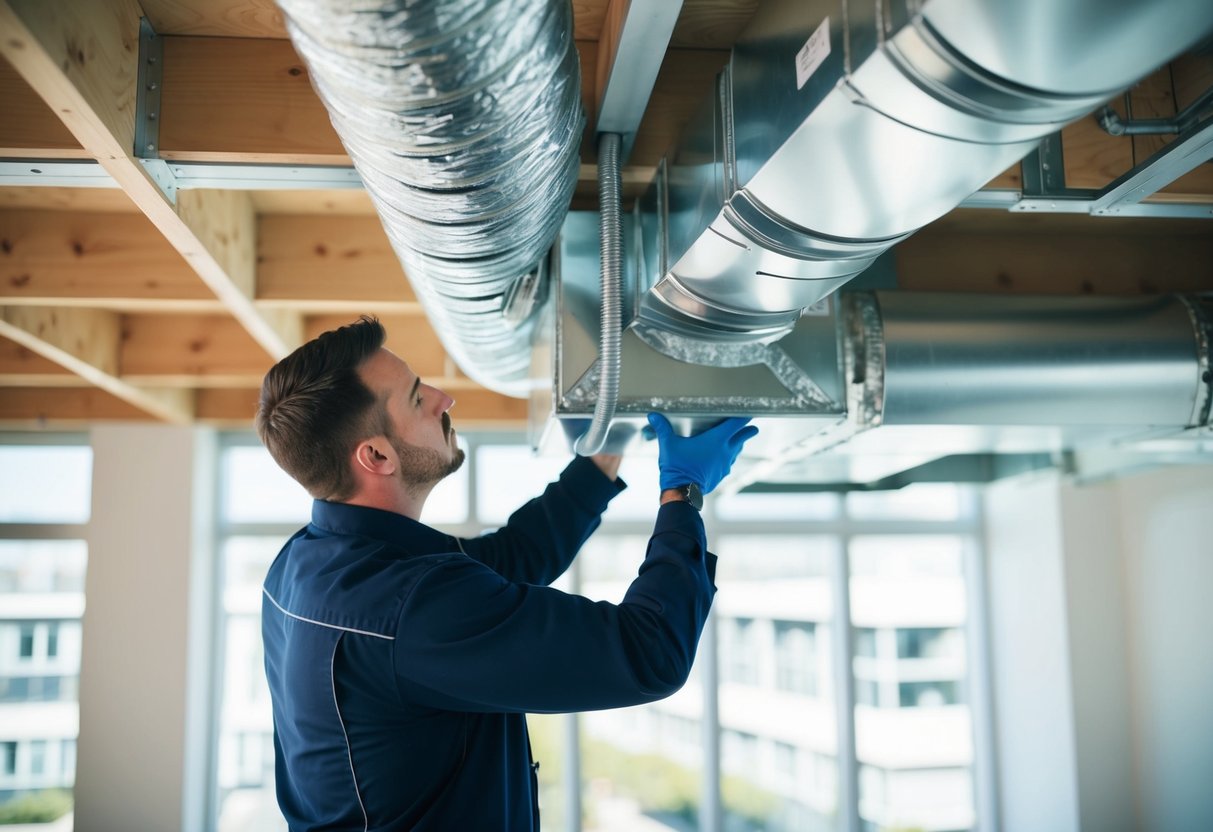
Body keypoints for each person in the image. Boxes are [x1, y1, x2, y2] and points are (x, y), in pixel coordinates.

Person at [254, 316, 757, 831]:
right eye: (415, 398)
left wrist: (602, 455)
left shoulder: (305, 564)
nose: (443, 398)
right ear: (377, 455)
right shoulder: (410, 604)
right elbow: (649, 652)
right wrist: (683, 493)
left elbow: (510, 560)